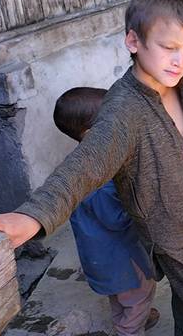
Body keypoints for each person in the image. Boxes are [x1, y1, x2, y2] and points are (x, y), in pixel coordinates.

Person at [0, 0, 183, 336]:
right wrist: (33, 215)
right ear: (133, 41)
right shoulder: (124, 111)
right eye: (168, 47)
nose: (179, 61)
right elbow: (84, 166)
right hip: (176, 238)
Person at [54, 87, 159, 336]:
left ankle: (131, 316)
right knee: (139, 294)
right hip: (121, 257)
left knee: (120, 295)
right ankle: (130, 326)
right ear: (92, 133)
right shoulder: (99, 180)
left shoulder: (78, 164)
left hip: (101, 258)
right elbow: (118, 219)